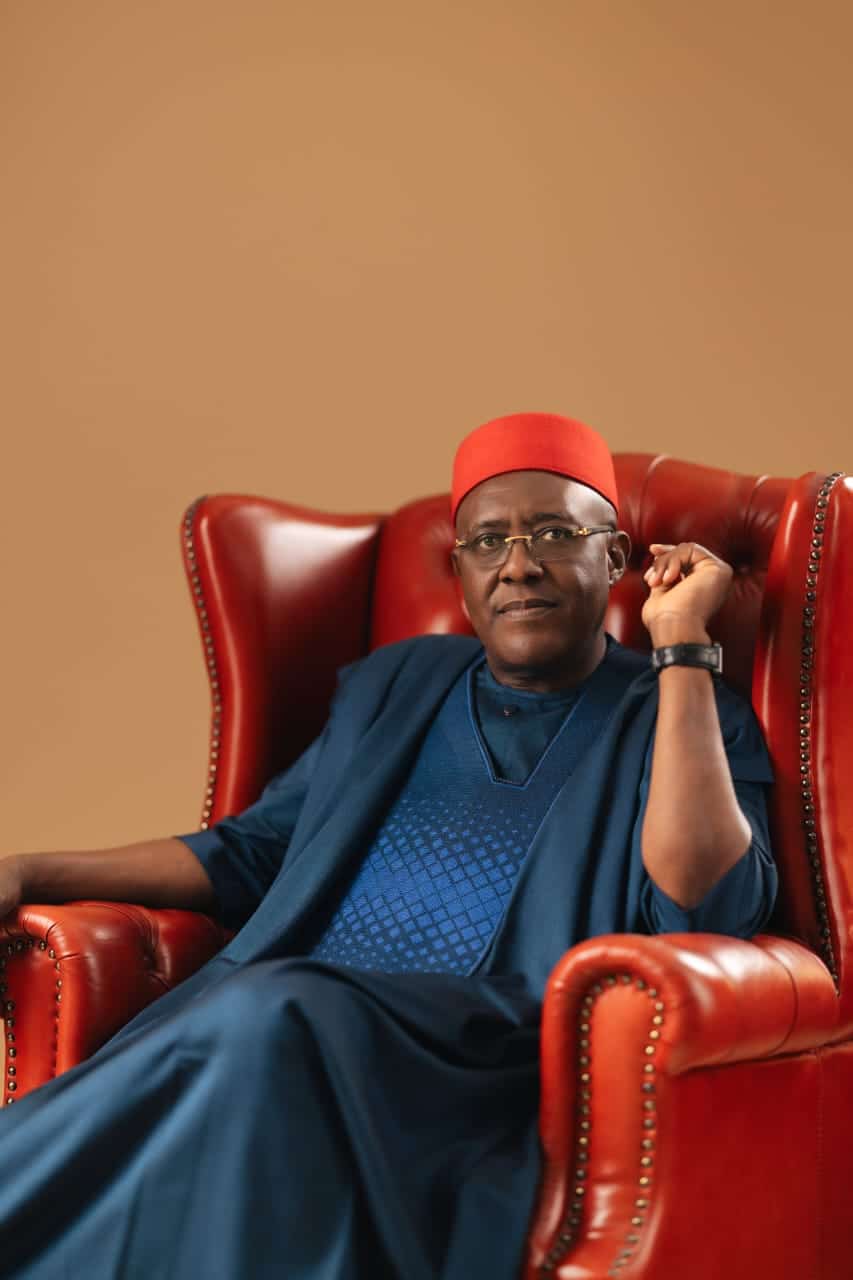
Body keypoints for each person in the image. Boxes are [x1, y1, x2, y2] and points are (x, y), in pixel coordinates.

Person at [0, 413, 775, 1279]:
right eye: (488, 542)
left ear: (615, 557)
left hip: (469, 1050)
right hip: (272, 1019)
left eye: (555, 534)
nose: (519, 564)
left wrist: (681, 650)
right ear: (462, 571)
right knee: (231, 1042)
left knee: (266, 1021)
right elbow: (247, 853)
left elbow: (704, 902)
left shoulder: (677, 710)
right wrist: (28, 869)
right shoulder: (398, 684)